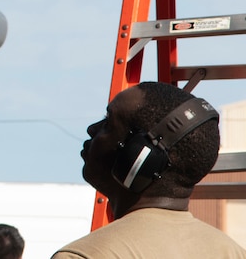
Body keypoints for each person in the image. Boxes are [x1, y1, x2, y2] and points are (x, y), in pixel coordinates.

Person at [53, 82, 246, 258]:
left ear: (140, 155)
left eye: (108, 123)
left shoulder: (84, 255)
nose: (91, 129)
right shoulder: (233, 253)